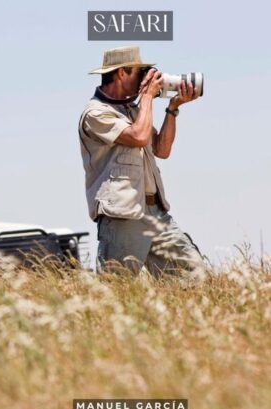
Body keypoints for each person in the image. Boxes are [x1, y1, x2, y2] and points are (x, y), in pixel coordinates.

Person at [78, 46, 207, 284]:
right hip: (123, 213)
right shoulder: (95, 114)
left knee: (193, 275)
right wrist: (147, 96)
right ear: (121, 73)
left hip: (155, 210)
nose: (146, 78)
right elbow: (138, 136)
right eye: (141, 72)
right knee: (115, 289)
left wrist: (173, 108)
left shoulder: (134, 110)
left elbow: (162, 150)